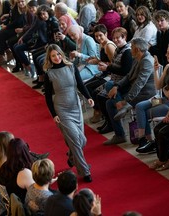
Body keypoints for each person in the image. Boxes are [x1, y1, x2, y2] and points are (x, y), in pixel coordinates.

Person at [44, 44, 94, 183]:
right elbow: (47, 97)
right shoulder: (49, 73)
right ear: (49, 57)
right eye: (53, 56)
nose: (57, 57)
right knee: (76, 140)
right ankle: (85, 171)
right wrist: (54, 114)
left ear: (62, 54)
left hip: (76, 106)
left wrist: (88, 97)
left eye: (58, 54)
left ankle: (72, 157)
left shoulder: (71, 67)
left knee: (81, 140)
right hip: (62, 109)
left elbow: (80, 84)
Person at [103, 37, 156, 145]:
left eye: (131, 47)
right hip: (135, 91)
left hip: (145, 94)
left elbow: (139, 84)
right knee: (109, 96)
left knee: (110, 102)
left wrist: (126, 100)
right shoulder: (138, 58)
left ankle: (125, 107)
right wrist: (117, 86)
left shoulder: (146, 61)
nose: (130, 49)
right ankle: (120, 134)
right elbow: (128, 76)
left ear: (137, 49)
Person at [136, 42, 169, 154]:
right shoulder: (168, 67)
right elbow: (158, 85)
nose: (166, 55)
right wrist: (155, 70)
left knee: (146, 113)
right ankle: (144, 139)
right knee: (139, 107)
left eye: (168, 53)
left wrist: (164, 90)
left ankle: (153, 143)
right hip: (162, 99)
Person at [95, 27, 133, 134]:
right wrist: (106, 66)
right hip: (115, 80)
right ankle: (111, 124)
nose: (115, 40)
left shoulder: (127, 52)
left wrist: (107, 68)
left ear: (124, 37)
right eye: (114, 38)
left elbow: (125, 71)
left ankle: (120, 105)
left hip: (124, 84)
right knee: (101, 97)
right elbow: (113, 65)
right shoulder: (118, 49)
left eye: (118, 38)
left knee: (108, 88)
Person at [84, 24, 117, 124]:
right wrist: (95, 61)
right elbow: (103, 61)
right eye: (96, 36)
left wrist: (102, 63)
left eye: (100, 35)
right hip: (104, 72)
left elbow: (115, 64)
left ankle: (99, 112)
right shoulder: (101, 45)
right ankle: (98, 110)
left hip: (111, 75)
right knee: (85, 86)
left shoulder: (109, 46)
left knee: (92, 90)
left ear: (106, 34)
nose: (98, 38)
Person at [0, 138, 35, 202]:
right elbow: (36, 194)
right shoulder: (24, 173)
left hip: (14, 203)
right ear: (25, 151)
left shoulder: (4, 166)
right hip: (26, 206)